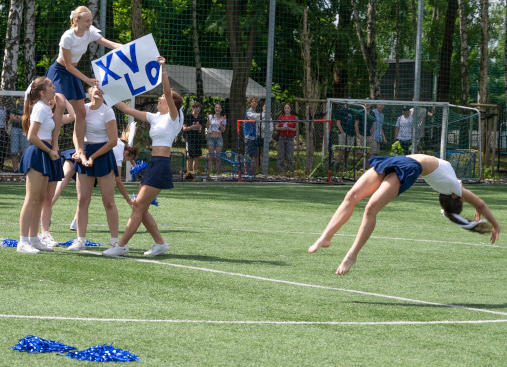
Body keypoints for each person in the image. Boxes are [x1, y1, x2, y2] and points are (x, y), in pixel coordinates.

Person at [308, 154, 501, 275]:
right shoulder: (451, 185)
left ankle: (352, 255)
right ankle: (325, 238)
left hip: (409, 167)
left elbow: (480, 202)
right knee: (351, 195)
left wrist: (494, 223)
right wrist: (479, 209)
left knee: (370, 208)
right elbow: (476, 201)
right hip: (399, 160)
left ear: (455, 197)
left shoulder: (452, 186)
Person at [103, 56, 184, 257]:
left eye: (162, 98)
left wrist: (163, 69)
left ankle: (121, 245)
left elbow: (166, 90)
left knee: (138, 205)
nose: (159, 98)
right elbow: (128, 109)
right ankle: (160, 243)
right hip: (154, 163)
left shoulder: (174, 117)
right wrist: (108, 93)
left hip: (161, 164)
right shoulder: (156, 117)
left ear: (172, 102)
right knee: (141, 206)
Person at [46, 6, 122, 165]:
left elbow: (108, 43)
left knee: (81, 112)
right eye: (87, 20)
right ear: (76, 20)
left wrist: (130, 48)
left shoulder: (90, 32)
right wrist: (87, 80)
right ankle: (54, 144)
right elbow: (68, 66)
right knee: (60, 105)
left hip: (73, 72)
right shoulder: (67, 37)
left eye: (91, 20)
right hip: (60, 71)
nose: (90, 23)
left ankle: (79, 150)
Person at [67, 86, 120, 251]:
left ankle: (115, 241)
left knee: (108, 201)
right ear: (89, 91)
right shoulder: (83, 110)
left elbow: (113, 141)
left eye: (102, 88)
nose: (99, 90)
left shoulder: (108, 111)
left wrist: (93, 157)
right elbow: (76, 134)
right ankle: (80, 240)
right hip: (85, 154)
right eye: (96, 87)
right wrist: (80, 153)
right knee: (82, 200)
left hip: (103, 155)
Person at [18, 77, 62, 254]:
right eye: (50, 85)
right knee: (31, 198)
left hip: (44, 153)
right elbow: (31, 136)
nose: (54, 87)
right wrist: (50, 151)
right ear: (42, 92)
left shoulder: (45, 108)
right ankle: (23, 241)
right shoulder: (39, 108)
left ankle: (34, 239)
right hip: (38, 153)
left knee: (39, 199)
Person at [39, 98, 76, 248]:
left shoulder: (55, 118)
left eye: (53, 100)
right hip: (42, 156)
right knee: (37, 198)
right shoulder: (39, 112)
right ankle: (33, 234)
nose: (51, 101)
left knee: (48, 198)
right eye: (48, 99)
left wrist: (64, 99)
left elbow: (73, 116)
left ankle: (44, 232)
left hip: (54, 157)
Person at [9, 96, 31, 173]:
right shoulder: (15, 106)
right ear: (19, 98)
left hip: (25, 129)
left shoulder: (28, 107)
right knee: (14, 151)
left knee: (25, 151)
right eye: (21, 97)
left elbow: (29, 118)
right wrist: (23, 118)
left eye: (24, 97)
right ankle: (15, 168)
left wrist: (18, 117)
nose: (22, 99)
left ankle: (23, 167)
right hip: (15, 129)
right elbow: (12, 118)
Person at [275, 103, 297, 173]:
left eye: (288, 108)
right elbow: (276, 127)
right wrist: (282, 128)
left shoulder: (294, 118)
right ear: (284, 109)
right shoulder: (281, 117)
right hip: (282, 137)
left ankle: (289, 171)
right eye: (285, 108)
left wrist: (289, 128)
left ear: (290, 109)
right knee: (280, 155)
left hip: (290, 138)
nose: (287, 109)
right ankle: (280, 171)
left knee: (290, 156)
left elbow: (296, 129)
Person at [183, 101, 204, 173]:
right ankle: (189, 173)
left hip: (197, 139)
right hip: (189, 139)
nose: (198, 109)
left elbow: (200, 131)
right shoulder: (188, 116)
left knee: (197, 156)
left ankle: (194, 173)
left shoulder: (200, 118)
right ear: (193, 108)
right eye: (196, 108)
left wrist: (199, 127)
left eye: (199, 108)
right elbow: (184, 128)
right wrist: (193, 126)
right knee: (189, 157)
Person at [354, 98, 376, 164]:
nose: (367, 104)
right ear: (364, 103)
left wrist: (372, 135)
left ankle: (367, 167)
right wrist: (358, 134)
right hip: (361, 134)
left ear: (371, 104)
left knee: (370, 153)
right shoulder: (360, 112)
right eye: (366, 102)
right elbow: (356, 124)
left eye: (369, 102)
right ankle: (355, 166)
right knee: (360, 153)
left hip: (368, 135)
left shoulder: (372, 113)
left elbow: (372, 125)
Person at [206, 103, 226, 173]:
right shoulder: (211, 117)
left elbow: (223, 130)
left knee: (218, 157)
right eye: (216, 107)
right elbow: (207, 127)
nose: (217, 109)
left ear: (221, 109)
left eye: (219, 107)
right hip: (211, 137)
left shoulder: (223, 118)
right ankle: (210, 171)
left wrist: (220, 122)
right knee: (211, 156)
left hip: (219, 138)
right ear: (214, 109)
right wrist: (208, 119)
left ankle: (217, 172)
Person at [0, 96, 8, 172]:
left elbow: (4, 119)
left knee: (2, 148)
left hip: (2, 129)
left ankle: (1, 166)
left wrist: (5, 129)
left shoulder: (3, 108)